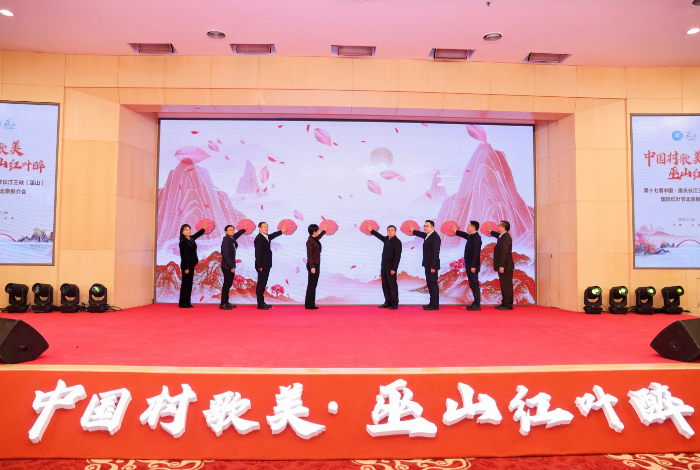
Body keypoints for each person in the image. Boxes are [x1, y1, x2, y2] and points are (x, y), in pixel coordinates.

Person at [368, 224, 402, 309]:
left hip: (391, 268)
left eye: (392, 230)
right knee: (385, 285)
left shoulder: (397, 242)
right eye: (389, 230)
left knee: (392, 286)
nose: (390, 232)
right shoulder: (386, 239)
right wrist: (372, 230)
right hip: (384, 266)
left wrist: (394, 268)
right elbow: (379, 236)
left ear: (395, 232)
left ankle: (394, 303)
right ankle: (387, 301)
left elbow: (397, 257)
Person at [412, 220, 441, 310]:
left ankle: (435, 305)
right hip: (427, 264)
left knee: (433, 284)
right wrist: (413, 231)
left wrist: (433, 266)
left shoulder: (435, 237)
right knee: (430, 284)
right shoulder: (429, 235)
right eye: (425, 226)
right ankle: (432, 303)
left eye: (427, 226)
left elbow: (435, 253)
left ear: (433, 227)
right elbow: (422, 235)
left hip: (432, 266)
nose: (425, 227)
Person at [254, 221, 283, 310]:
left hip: (266, 264)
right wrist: (259, 266)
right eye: (264, 227)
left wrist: (281, 231)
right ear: (259, 228)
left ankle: (262, 302)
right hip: (262, 266)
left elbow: (272, 236)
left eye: (267, 226)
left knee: (263, 284)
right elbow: (258, 253)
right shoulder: (259, 238)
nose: (266, 228)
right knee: (261, 284)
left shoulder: (266, 237)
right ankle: (260, 304)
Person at [454, 221, 482, 311]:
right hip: (469, 265)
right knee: (472, 284)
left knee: (475, 285)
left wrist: (473, 266)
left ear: (473, 227)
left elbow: (476, 253)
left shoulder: (476, 238)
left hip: (473, 266)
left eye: (469, 226)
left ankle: (477, 305)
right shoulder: (471, 236)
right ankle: (475, 303)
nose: (467, 227)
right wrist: (456, 231)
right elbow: (465, 235)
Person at [178, 223, 206, 308]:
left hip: (192, 264)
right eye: (186, 230)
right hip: (186, 265)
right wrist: (186, 267)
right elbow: (183, 256)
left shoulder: (191, 239)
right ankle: (183, 303)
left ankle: (187, 302)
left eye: (189, 229)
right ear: (182, 232)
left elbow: (197, 234)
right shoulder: (183, 242)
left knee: (189, 283)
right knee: (185, 284)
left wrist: (203, 229)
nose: (188, 231)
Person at [220, 224, 246, 310]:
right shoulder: (226, 240)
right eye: (230, 230)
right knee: (227, 284)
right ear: (226, 232)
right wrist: (231, 266)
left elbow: (236, 235)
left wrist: (243, 230)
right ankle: (223, 303)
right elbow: (226, 255)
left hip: (230, 265)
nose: (232, 231)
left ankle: (226, 302)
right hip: (227, 266)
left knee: (229, 284)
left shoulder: (231, 239)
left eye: (233, 229)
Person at [489, 220, 514, 310]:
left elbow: (505, 253)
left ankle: (508, 304)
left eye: (499, 225)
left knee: (507, 285)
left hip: (506, 266)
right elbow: (497, 235)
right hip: (504, 266)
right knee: (504, 285)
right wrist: (490, 231)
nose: (498, 226)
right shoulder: (502, 236)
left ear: (503, 228)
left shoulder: (506, 237)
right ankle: (504, 302)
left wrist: (502, 266)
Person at [304, 224, 326, 309]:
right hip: (313, 265)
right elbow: (309, 255)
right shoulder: (310, 241)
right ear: (314, 232)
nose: (318, 232)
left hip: (316, 264)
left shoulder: (314, 239)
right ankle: (309, 304)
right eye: (318, 230)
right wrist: (312, 267)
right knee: (312, 285)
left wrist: (324, 231)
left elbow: (318, 238)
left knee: (313, 284)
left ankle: (310, 303)